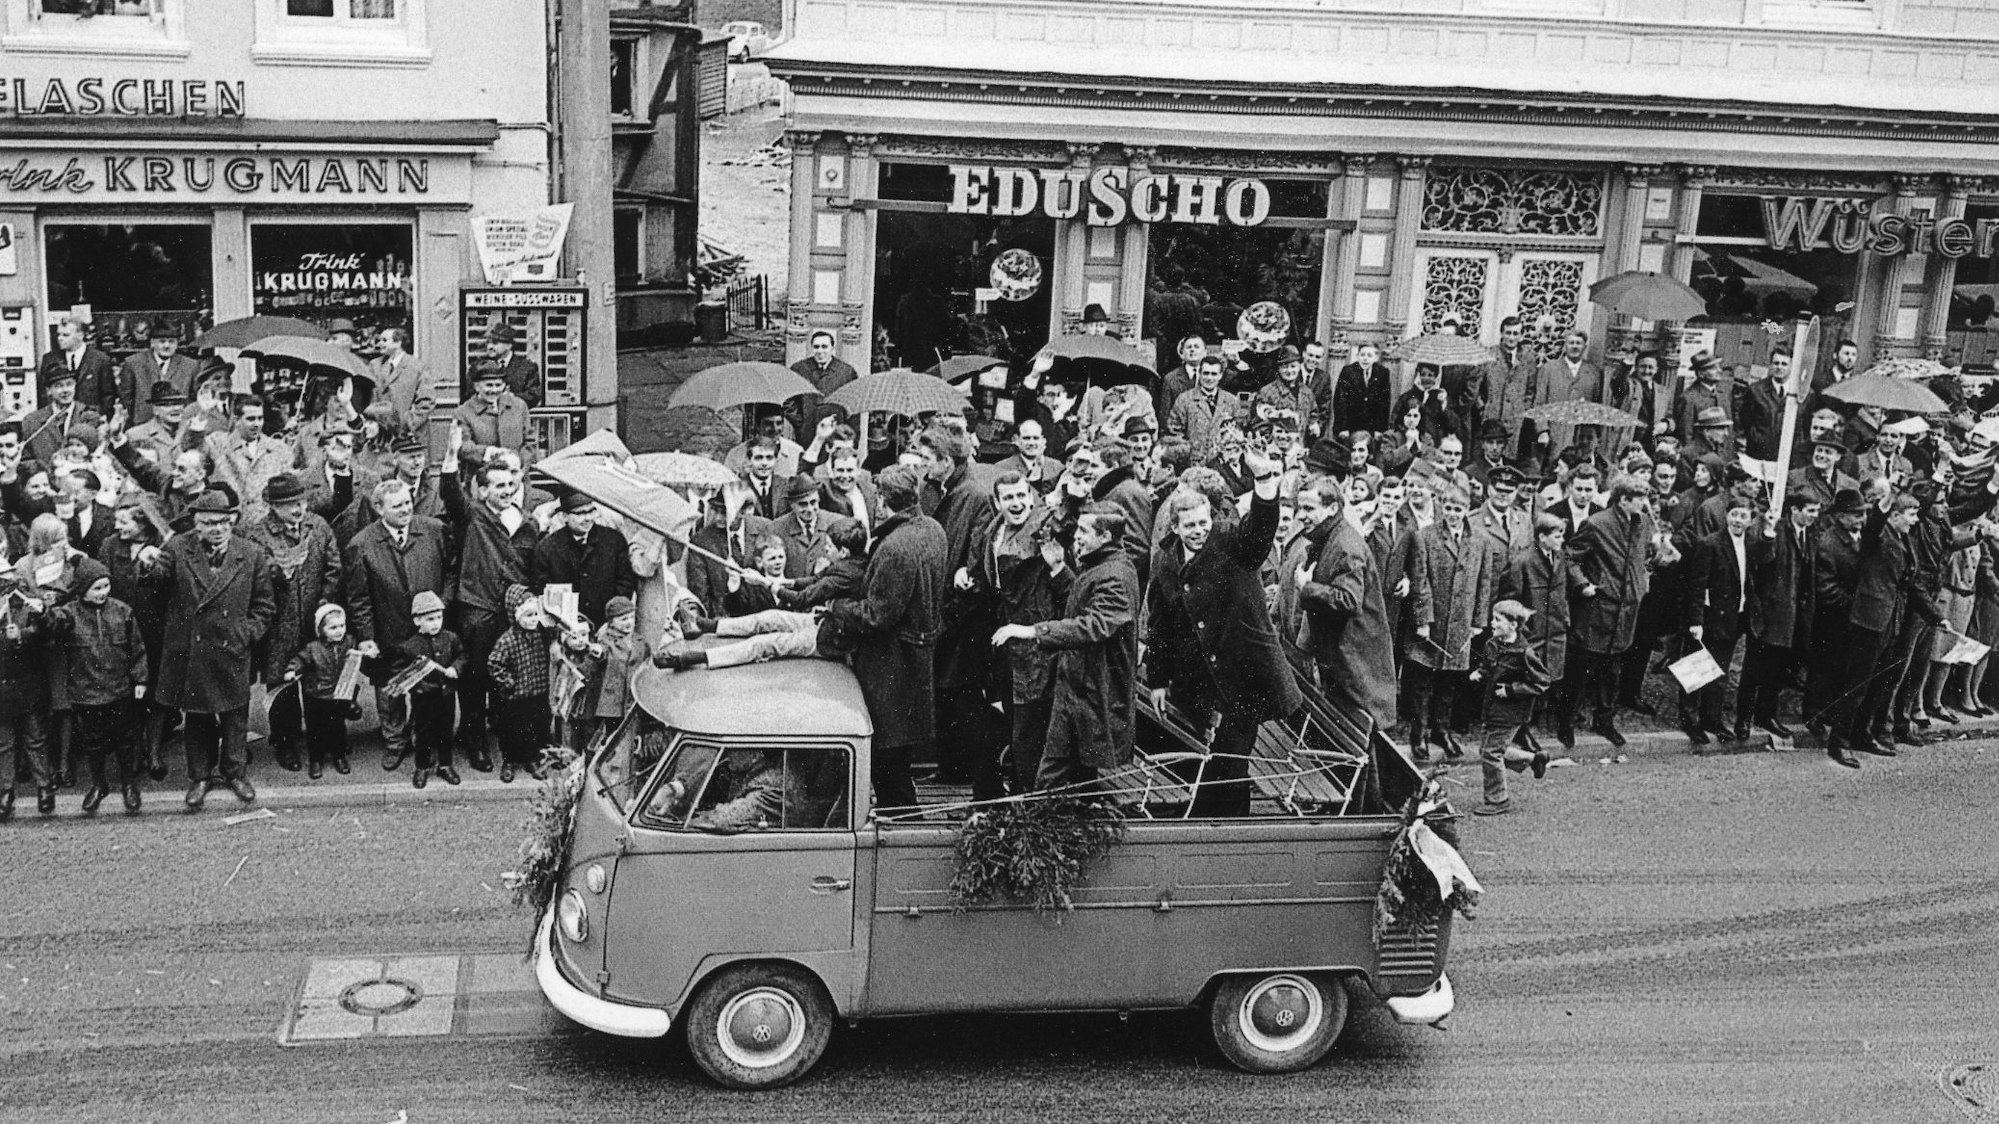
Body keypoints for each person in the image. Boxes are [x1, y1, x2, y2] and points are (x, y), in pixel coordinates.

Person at [1147, 444, 1299, 817]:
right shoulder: (1165, 560)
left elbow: (1261, 531)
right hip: (1197, 679)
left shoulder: (1231, 542)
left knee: (1233, 762)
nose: (1199, 532)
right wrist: (1157, 681)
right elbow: (1160, 625)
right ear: (1175, 526)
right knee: (1208, 760)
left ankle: (1234, 836)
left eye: (1204, 523)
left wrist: (1264, 480)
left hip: (1245, 673)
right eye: (1190, 526)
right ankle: (1205, 827)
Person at [822, 465, 947, 812]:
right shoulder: (933, 529)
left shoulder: (895, 546)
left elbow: (877, 616)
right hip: (915, 659)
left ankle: (902, 830)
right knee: (897, 756)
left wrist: (837, 605)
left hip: (890, 665)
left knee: (887, 759)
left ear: (883, 501)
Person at [992, 503, 1139, 792]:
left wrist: (1033, 631)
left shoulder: (1115, 575)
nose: (1077, 538)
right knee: (1064, 774)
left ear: (1105, 536)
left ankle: (1042, 827)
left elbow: (1093, 624)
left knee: (1054, 776)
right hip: (1078, 689)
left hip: (1090, 693)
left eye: (1084, 531)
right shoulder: (1101, 565)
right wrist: (1059, 569)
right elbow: (1083, 599)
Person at [146, 488, 277, 810]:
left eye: (223, 522)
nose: (216, 528)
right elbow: (156, 586)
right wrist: (150, 565)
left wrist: (246, 633)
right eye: (208, 523)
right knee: (198, 718)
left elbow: (265, 605)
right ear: (196, 523)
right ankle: (200, 777)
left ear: (232, 521)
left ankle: (235, 772)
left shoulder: (251, 553)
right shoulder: (177, 548)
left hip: (232, 649)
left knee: (235, 715)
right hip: (192, 650)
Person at [344, 477, 454, 772]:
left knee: (426, 690)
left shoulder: (434, 531)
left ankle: (423, 742)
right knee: (389, 692)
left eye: (407, 502)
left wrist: (439, 607)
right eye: (397, 506)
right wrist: (367, 636)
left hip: (428, 632)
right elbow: (359, 598)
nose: (406, 509)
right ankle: (395, 742)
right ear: (379, 509)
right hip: (387, 631)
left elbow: (451, 573)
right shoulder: (361, 544)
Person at [442, 452, 539, 773]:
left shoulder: (526, 521)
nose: (507, 490)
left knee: (507, 681)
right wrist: (450, 460)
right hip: (478, 611)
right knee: (474, 681)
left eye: (511, 483)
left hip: (510, 613)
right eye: (499, 485)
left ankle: (505, 741)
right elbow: (452, 495)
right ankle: (475, 744)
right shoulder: (472, 515)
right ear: (482, 491)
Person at [240, 472, 343, 773]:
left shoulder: (318, 526)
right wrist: (276, 574)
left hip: (315, 622)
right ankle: (285, 742)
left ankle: (321, 741)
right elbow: (254, 581)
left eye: (300, 502)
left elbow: (333, 568)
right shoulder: (257, 534)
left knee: (319, 683)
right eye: (288, 505)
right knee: (282, 687)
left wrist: (324, 603)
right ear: (272, 506)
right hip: (278, 626)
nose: (298, 509)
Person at [968, 473, 1062, 797]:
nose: (1017, 503)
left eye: (1022, 495)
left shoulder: (1043, 530)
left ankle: (1031, 802)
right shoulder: (992, 530)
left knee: (1028, 729)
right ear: (997, 503)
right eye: (1009, 498)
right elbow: (988, 574)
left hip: (1034, 646)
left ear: (1032, 496)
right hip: (1003, 643)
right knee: (1006, 720)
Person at [923, 425, 998, 785]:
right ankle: (953, 768)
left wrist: (949, 615)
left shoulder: (974, 496)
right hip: (951, 615)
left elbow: (974, 566)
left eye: (928, 459)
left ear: (947, 462)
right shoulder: (950, 490)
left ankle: (962, 773)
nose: (924, 465)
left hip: (963, 620)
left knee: (961, 696)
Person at [42, 557, 145, 814]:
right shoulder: (69, 614)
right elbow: (51, 626)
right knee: (93, 742)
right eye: (96, 588)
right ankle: (99, 784)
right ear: (82, 589)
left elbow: (137, 648)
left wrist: (140, 679)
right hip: (85, 693)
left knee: (125, 740)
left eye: (106, 586)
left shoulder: (122, 611)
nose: (102, 593)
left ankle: (129, 785)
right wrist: (43, 610)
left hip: (118, 690)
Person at [1565, 474, 1657, 748]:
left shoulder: (1642, 524)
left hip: (1627, 611)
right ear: (1623, 499)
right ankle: (1566, 721)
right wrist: (1583, 585)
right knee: (1581, 670)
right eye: (1639, 499)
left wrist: (1646, 576)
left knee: (1613, 672)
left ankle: (1604, 720)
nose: (1644, 504)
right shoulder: (1597, 524)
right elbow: (1570, 558)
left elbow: (1645, 558)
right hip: (1598, 610)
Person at [1402, 483, 1492, 761]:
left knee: (1450, 683)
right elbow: (1420, 581)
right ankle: (1419, 734)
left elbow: (1484, 582)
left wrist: (1479, 620)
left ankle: (1442, 730)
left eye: (1459, 509)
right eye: (1449, 508)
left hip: (1460, 625)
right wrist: (1422, 620)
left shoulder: (1480, 540)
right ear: (1442, 507)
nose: (1453, 514)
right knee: (1422, 683)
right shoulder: (1425, 537)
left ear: (1467, 510)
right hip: (1432, 623)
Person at [1683, 495, 1757, 743]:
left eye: (1743, 516)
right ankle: (1690, 720)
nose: (1738, 520)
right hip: (1710, 617)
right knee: (1698, 669)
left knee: (1719, 672)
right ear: (1727, 517)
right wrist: (1696, 621)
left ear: (1750, 520)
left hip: (1734, 618)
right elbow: (1697, 586)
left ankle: (1711, 719)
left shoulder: (1751, 544)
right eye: (1734, 514)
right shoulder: (1710, 544)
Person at [1470, 599, 1553, 817]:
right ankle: (1533, 759)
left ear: (1514, 625)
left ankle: (1499, 800)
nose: (1492, 623)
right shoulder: (1492, 643)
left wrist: (1512, 690)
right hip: (1492, 708)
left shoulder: (1524, 653)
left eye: (1498, 620)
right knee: (1490, 750)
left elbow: (1542, 682)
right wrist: (1481, 672)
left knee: (1490, 752)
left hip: (1511, 713)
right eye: (1493, 619)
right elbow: (1489, 666)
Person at [487, 584, 567, 783]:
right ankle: (510, 760)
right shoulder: (507, 640)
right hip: (515, 696)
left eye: (535, 615)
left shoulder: (540, 634)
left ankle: (532, 759)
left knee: (535, 726)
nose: (533, 620)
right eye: (528, 616)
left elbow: (555, 628)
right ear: (515, 616)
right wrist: (508, 682)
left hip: (537, 692)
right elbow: (494, 663)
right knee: (512, 730)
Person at [281, 604, 363, 782]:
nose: (339, 631)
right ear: (321, 629)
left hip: (338, 694)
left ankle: (339, 756)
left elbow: (358, 655)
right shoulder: (313, 648)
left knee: (337, 728)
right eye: (333, 627)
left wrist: (365, 653)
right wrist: (292, 670)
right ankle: (315, 760)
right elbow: (300, 660)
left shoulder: (349, 642)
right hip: (316, 696)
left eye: (341, 626)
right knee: (315, 730)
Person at [393, 591, 466, 787]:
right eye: (430, 619)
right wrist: (419, 687)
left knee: (445, 730)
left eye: (439, 617)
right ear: (417, 620)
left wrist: (455, 668)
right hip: (423, 699)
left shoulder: (451, 638)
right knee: (423, 732)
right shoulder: (410, 646)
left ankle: (445, 764)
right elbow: (404, 672)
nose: (436, 623)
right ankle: (422, 766)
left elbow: (461, 655)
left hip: (446, 695)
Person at [531, 491, 636, 626]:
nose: (587, 518)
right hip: (567, 629)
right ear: (564, 517)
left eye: (591, 511)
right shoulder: (547, 549)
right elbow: (542, 590)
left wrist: (612, 617)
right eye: (580, 513)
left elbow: (625, 583)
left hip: (606, 625)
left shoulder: (614, 541)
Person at [204, 395, 293, 527]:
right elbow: (192, 447)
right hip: (232, 525)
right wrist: (199, 420)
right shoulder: (219, 443)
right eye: (250, 419)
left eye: (260, 418)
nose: (256, 424)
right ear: (236, 420)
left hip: (269, 527)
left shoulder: (279, 449)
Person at [119, 320, 200, 427]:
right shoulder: (134, 363)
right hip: (143, 425)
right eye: (162, 341)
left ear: (177, 344)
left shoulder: (190, 365)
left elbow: (195, 399)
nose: (167, 346)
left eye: (171, 341)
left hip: (179, 425)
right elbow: (126, 398)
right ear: (152, 343)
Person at [37, 316, 117, 420]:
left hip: (90, 420)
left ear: (80, 335)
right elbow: (44, 394)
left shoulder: (100, 360)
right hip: (59, 420)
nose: (60, 338)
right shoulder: (49, 359)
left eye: (66, 335)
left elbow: (108, 396)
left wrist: (99, 418)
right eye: (59, 334)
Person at [22, 364, 99, 470]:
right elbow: (26, 460)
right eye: (59, 386)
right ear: (48, 390)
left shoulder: (88, 416)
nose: (65, 390)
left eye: (69, 384)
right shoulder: (32, 421)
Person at [454, 363, 534, 460]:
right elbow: (463, 446)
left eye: (498, 385)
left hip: (516, 472)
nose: (494, 390)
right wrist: (491, 453)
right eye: (489, 385)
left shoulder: (519, 406)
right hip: (480, 472)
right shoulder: (463, 412)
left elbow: (530, 441)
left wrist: (520, 463)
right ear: (477, 387)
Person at [789, 330, 859, 439]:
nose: (820, 351)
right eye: (816, 347)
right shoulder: (799, 369)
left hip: (836, 432)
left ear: (832, 348)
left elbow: (853, 405)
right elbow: (788, 401)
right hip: (808, 433)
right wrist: (801, 423)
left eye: (824, 346)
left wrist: (851, 435)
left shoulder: (846, 372)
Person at [368, 327, 431, 435]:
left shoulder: (417, 367)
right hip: (379, 433)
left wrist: (408, 424)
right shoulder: (375, 366)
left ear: (398, 343)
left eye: (384, 340)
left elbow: (426, 400)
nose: (380, 344)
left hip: (406, 433)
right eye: (379, 340)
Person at [1333, 342, 1392, 437]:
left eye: (1369, 355)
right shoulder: (1348, 371)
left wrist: (1379, 429)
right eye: (1362, 355)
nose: (1365, 358)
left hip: (1372, 428)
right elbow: (1340, 400)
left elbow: (1384, 403)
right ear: (1357, 356)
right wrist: (1343, 428)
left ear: (1376, 358)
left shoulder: (1383, 373)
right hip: (1351, 426)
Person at [994, 418, 1063, 495]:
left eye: (1036, 438)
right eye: (1026, 438)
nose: (1031, 443)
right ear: (1017, 440)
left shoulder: (1057, 468)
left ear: (1043, 440)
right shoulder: (1002, 468)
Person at [482, 322, 542, 409]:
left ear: (508, 345)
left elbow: (533, 396)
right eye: (487, 343)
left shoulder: (527, 367)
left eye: (495, 343)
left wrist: (511, 398)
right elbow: (469, 395)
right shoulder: (481, 367)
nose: (489, 347)